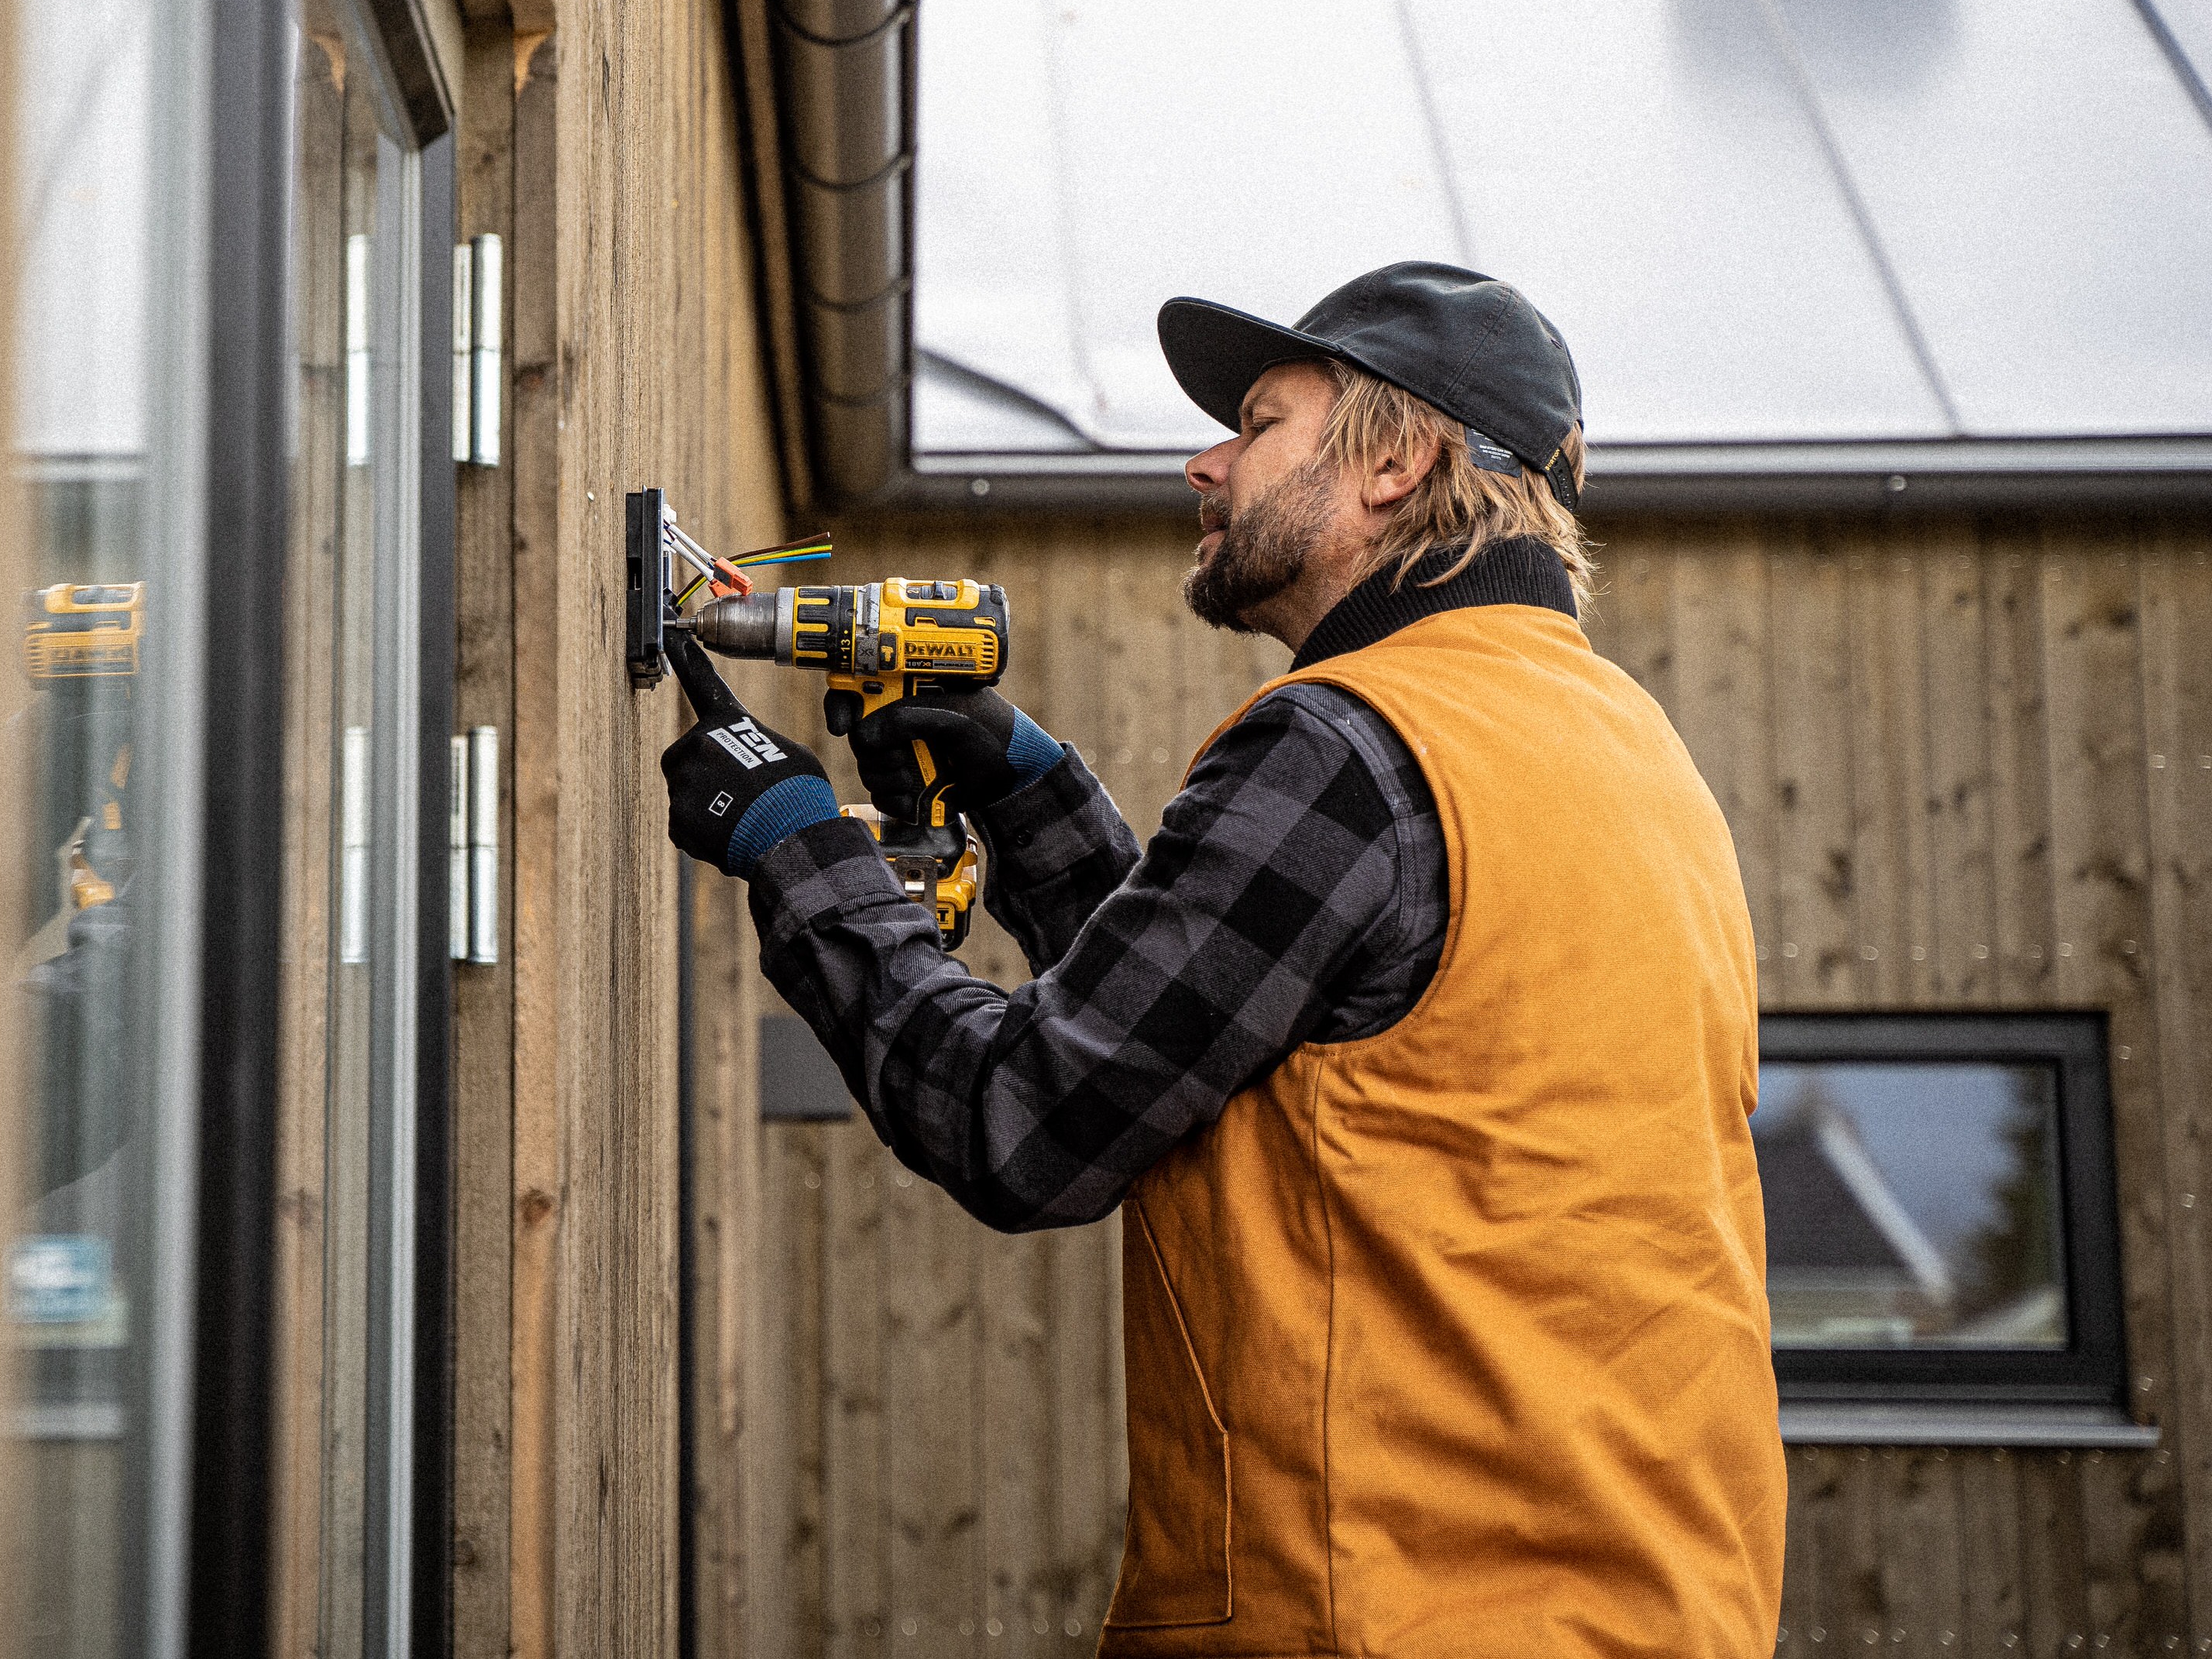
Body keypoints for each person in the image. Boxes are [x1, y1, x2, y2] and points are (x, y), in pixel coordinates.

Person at [659, 262, 1786, 1657]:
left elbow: (1029, 1122)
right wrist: (1026, 791)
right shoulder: (1631, 758)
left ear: (1398, 464)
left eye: (1259, 425)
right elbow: (1232, 1057)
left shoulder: (1348, 740)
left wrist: (797, 847)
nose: (1205, 463)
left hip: (1373, 1619)